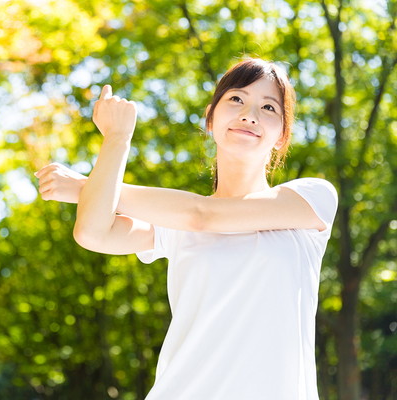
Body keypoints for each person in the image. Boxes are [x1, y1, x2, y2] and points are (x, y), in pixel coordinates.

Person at [35, 58, 338, 399]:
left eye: (268, 107)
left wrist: (85, 188)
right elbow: (92, 233)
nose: (249, 114)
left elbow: (203, 215)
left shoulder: (311, 201)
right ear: (211, 118)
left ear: (282, 136)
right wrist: (117, 139)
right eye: (236, 99)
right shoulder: (172, 222)